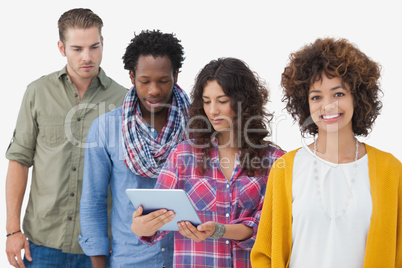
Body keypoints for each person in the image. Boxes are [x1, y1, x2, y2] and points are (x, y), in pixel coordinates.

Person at [251, 37, 402, 267]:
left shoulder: (390, 170)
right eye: (316, 97)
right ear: (305, 104)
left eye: (338, 94)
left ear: (357, 97)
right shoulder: (285, 168)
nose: (328, 105)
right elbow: (265, 254)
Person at [131, 57, 284, 267]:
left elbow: (268, 227)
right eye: (206, 101)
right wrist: (142, 227)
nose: (212, 111)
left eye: (222, 101)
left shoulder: (275, 161)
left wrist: (219, 230)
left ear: (243, 102)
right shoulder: (183, 155)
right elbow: (156, 223)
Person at [5, 8, 128, 268]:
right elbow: (19, 161)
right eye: (77, 49)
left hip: (100, 246)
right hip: (42, 243)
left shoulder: (124, 101)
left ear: (103, 43)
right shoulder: (37, 92)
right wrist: (13, 230)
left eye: (94, 47)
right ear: (61, 48)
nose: (87, 57)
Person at [79, 29, 189, 267]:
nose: (154, 91)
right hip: (131, 259)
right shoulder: (106, 128)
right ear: (131, 76)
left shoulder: (198, 127)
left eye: (163, 81)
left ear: (176, 75)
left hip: (189, 256)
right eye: (144, 81)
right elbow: (93, 202)